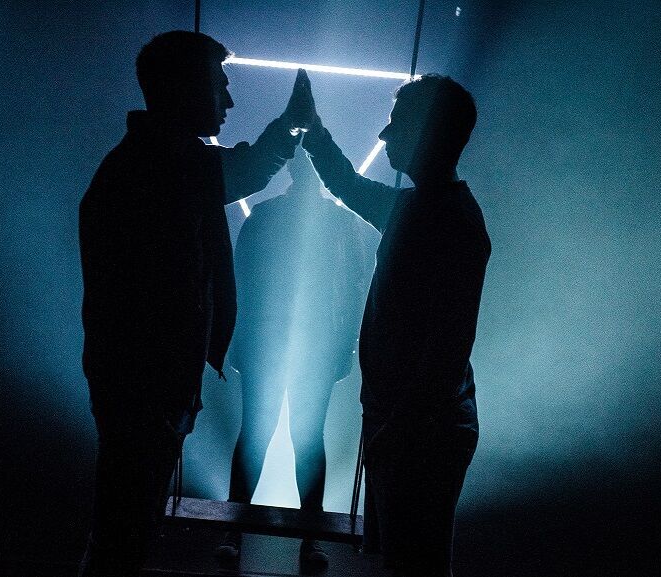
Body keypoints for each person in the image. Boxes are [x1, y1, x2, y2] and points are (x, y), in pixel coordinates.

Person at [77, 30, 312, 577]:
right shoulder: (163, 168)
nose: (228, 99)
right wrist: (289, 126)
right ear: (185, 88)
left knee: (124, 525)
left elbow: (241, 169)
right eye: (218, 84)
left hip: (144, 382)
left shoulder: (158, 162)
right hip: (146, 383)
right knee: (124, 528)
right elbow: (244, 170)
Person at [300, 73, 490, 577]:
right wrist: (315, 133)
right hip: (414, 426)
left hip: (418, 432)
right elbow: (347, 185)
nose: (384, 134)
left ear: (428, 132)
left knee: (415, 564)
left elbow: (446, 349)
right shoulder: (434, 210)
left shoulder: (445, 218)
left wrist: (399, 425)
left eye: (396, 121)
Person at [214, 147, 379, 566]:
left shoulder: (265, 215)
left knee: (259, 434)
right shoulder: (342, 223)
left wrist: (236, 341)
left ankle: (236, 532)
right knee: (304, 438)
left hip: (269, 343)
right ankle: (309, 539)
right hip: (311, 346)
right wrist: (347, 345)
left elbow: (241, 278)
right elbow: (355, 286)